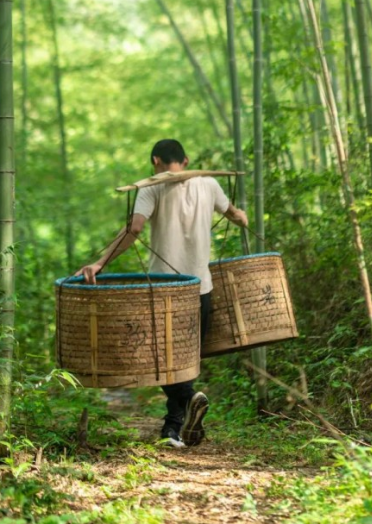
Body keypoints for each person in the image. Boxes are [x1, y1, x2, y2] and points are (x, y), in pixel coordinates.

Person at [76, 139, 248, 448]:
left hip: (164, 290)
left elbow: (135, 229)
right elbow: (234, 213)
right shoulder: (208, 183)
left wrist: (101, 262)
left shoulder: (151, 187)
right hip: (200, 288)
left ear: (155, 160)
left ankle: (182, 411)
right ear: (186, 159)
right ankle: (173, 428)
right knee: (184, 359)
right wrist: (241, 216)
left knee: (163, 359)